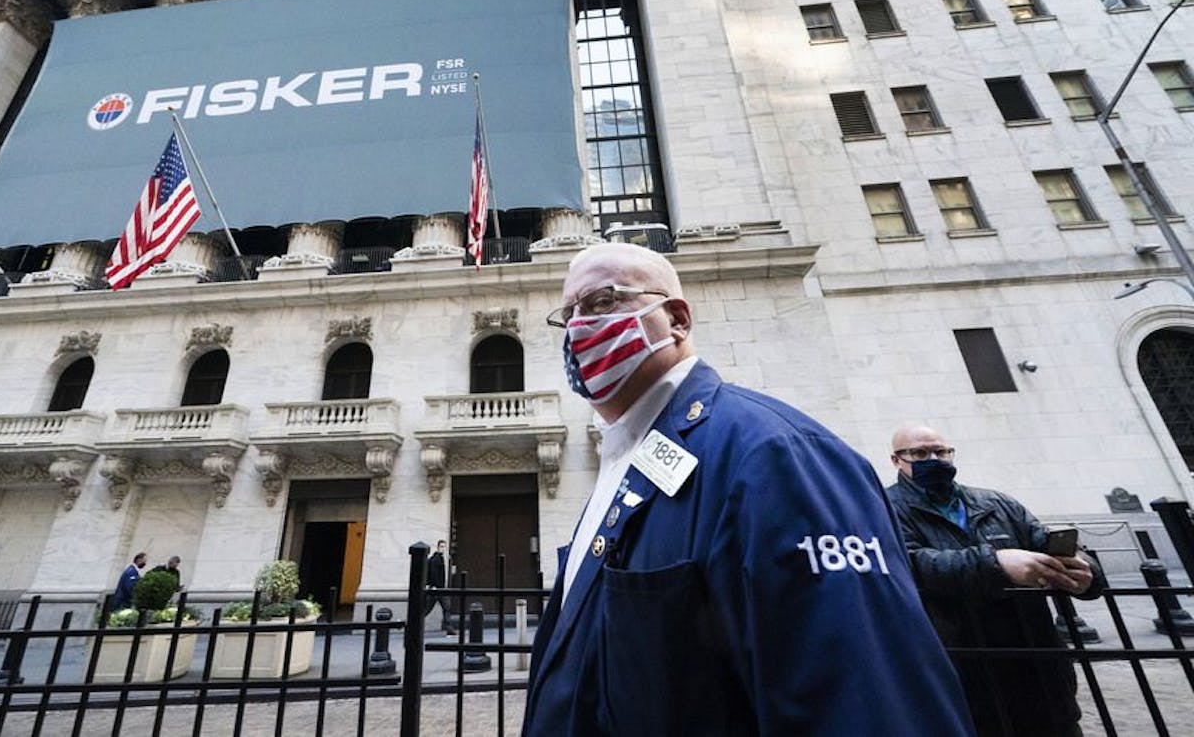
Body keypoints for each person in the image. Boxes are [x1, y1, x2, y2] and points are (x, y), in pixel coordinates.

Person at [522, 243, 975, 736]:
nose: (578, 328)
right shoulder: (627, 459)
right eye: (567, 315)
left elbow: (864, 700)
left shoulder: (777, 453)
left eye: (603, 302)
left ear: (676, 318)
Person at [886, 425, 1107, 736]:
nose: (934, 458)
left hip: (1035, 659)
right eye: (920, 453)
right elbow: (909, 563)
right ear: (897, 460)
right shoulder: (883, 508)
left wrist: (1086, 573)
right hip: (959, 660)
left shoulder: (997, 503)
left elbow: (1043, 540)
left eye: (941, 451)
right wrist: (996, 563)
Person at [424, 541, 453, 634]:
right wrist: (434, 586)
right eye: (441, 546)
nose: (443, 549)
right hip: (437, 589)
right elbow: (434, 575)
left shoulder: (439, 558)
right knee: (427, 609)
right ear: (437, 547)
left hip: (439, 589)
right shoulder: (436, 559)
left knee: (446, 607)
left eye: (444, 547)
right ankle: (412, 624)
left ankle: (449, 628)